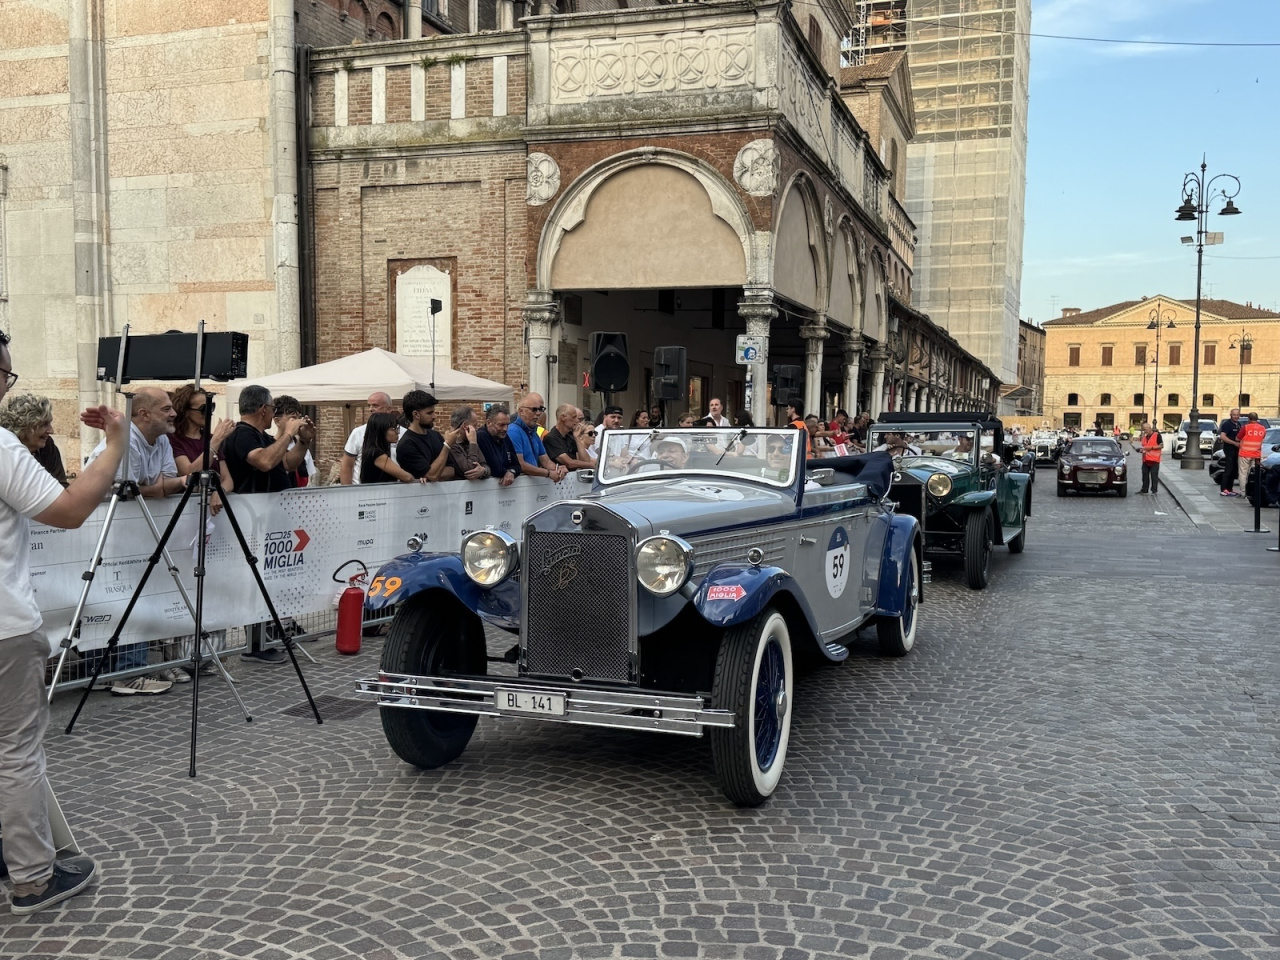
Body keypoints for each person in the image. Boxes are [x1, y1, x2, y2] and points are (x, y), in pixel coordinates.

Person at [0, 325, 129, 915]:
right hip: (5, 627)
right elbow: (71, 509)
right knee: (15, 752)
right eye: (7, 374)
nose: (8, 386)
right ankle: (31, 877)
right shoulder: (3, 447)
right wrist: (115, 447)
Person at [85, 386, 191, 693]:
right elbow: (126, 491)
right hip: (107, 532)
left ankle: (106, 672)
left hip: (133, 534)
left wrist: (158, 487)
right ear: (143, 413)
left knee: (131, 598)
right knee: (124, 599)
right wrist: (158, 488)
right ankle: (126, 673)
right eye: (166, 409)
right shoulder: (128, 440)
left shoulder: (162, 440)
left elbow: (163, 483)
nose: (174, 413)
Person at [220, 385, 311, 496]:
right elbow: (264, 462)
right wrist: (288, 434)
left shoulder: (264, 437)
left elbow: (288, 463)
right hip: (252, 504)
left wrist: (304, 440)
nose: (273, 414)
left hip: (269, 504)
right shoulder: (241, 434)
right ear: (264, 410)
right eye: (273, 409)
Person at [168, 384, 236, 482]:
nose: (209, 413)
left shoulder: (210, 438)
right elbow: (189, 473)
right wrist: (215, 441)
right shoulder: (173, 439)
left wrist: (220, 490)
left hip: (215, 491)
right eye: (204, 409)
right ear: (186, 411)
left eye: (211, 407)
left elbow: (227, 479)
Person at [0, 393, 68, 486]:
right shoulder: (4, 452)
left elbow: (61, 485)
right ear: (24, 426)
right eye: (44, 424)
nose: (51, 431)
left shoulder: (47, 445)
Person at [340, 391, 400, 484]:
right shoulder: (358, 432)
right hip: (362, 488)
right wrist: (346, 490)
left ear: (388, 409)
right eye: (369, 406)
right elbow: (347, 465)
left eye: (375, 406)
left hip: (395, 488)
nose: (370, 409)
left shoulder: (403, 433)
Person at [396, 391, 455, 482]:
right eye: (429, 413)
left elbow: (451, 471)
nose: (434, 416)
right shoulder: (406, 444)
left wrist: (432, 474)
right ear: (416, 414)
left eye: (433, 412)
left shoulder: (436, 435)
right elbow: (433, 475)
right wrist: (447, 445)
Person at [510, 393, 567, 481]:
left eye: (541, 409)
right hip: (519, 485)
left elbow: (546, 461)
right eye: (534, 409)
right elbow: (520, 464)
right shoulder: (513, 431)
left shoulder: (533, 432)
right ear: (521, 411)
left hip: (530, 484)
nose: (538, 413)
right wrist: (548, 473)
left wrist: (558, 469)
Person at [361, 412, 426, 484]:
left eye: (397, 428)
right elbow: (407, 477)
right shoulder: (375, 453)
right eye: (393, 429)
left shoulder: (374, 451)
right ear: (381, 430)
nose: (397, 432)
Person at [271, 396, 317, 488]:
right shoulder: (268, 446)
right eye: (292, 419)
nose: (297, 422)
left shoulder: (303, 448)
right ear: (277, 421)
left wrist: (305, 440)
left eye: (299, 418)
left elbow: (310, 480)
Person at [475, 404, 520, 485]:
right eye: (501, 425)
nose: (505, 429)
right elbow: (496, 469)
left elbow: (517, 465)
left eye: (507, 425)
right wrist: (508, 470)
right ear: (489, 422)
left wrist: (511, 472)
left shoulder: (504, 437)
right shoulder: (481, 436)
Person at [543, 403, 595, 470]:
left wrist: (577, 438)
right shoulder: (551, 438)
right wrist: (591, 464)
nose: (577, 421)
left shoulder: (570, 437)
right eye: (574, 417)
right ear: (563, 417)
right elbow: (569, 463)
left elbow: (585, 460)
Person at [445, 406, 491, 481]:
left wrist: (483, 471)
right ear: (465, 426)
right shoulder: (452, 444)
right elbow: (469, 470)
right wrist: (472, 443)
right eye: (474, 426)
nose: (476, 429)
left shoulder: (469, 440)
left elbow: (485, 465)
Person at [1236, 412, 1267, 498]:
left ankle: (1243, 492)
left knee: (1243, 473)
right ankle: (1252, 491)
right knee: (1253, 474)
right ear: (1257, 419)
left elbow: (1237, 438)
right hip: (1256, 454)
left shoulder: (1246, 427)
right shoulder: (1263, 428)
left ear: (1249, 419)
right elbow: (1262, 438)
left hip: (1244, 453)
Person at [1218, 408, 1243, 496]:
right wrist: (1234, 443)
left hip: (1237, 450)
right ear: (1230, 415)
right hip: (1229, 449)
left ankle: (1230, 488)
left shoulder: (1238, 424)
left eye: (1237, 415)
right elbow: (1222, 436)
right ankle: (1223, 489)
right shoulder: (1227, 424)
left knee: (1234, 469)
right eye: (1234, 415)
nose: (1236, 416)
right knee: (1228, 469)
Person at [1138, 421, 1163, 495]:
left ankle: (1154, 490)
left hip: (1154, 460)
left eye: (1145, 430)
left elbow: (1161, 446)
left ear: (1149, 428)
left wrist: (1151, 448)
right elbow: (1144, 447)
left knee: (1154, 476)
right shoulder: (1145, 437)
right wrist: (1141, 450)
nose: (1145, 432)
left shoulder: (1157, 435)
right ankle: (1144, 489)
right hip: (1146, 460)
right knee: (1145, 475)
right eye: (1144, 430)